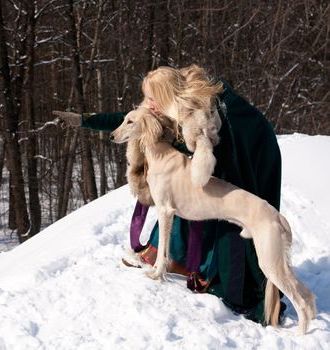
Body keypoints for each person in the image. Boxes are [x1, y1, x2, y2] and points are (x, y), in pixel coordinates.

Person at [53, 64, 285, 325]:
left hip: (251, 144)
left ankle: (249, 288)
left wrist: (192, 157)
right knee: (184, 198)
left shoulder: (198, 111)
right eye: (147, 97)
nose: (148, 103)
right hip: (220, 144)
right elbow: (130, 118)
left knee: (237, 213)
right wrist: (85, 119)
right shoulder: (157, 105)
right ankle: (178, 259)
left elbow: (209, 153)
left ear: (166, 96)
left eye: (152, 98)